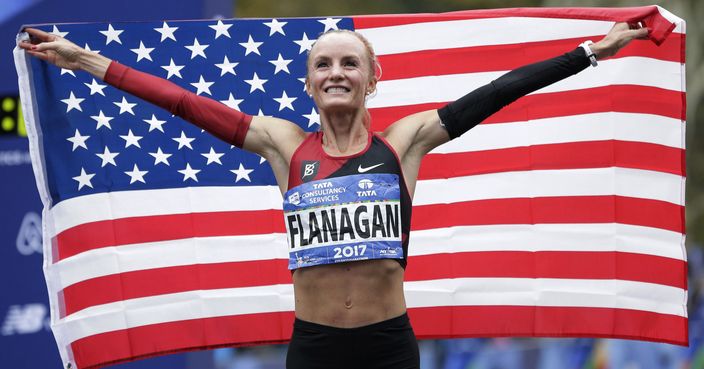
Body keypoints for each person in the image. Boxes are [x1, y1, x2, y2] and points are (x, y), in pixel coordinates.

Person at [19, 20, 648, 369]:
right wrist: (89, 63)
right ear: (310, 84)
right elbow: (185, 104)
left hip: (387, 347)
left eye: (349, 64)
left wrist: (590, 53)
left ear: (372, 79)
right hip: (315, 348)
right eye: (323, 65)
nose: (336, 73)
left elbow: (497, 93)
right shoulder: (285, 146)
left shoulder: (405, 142)